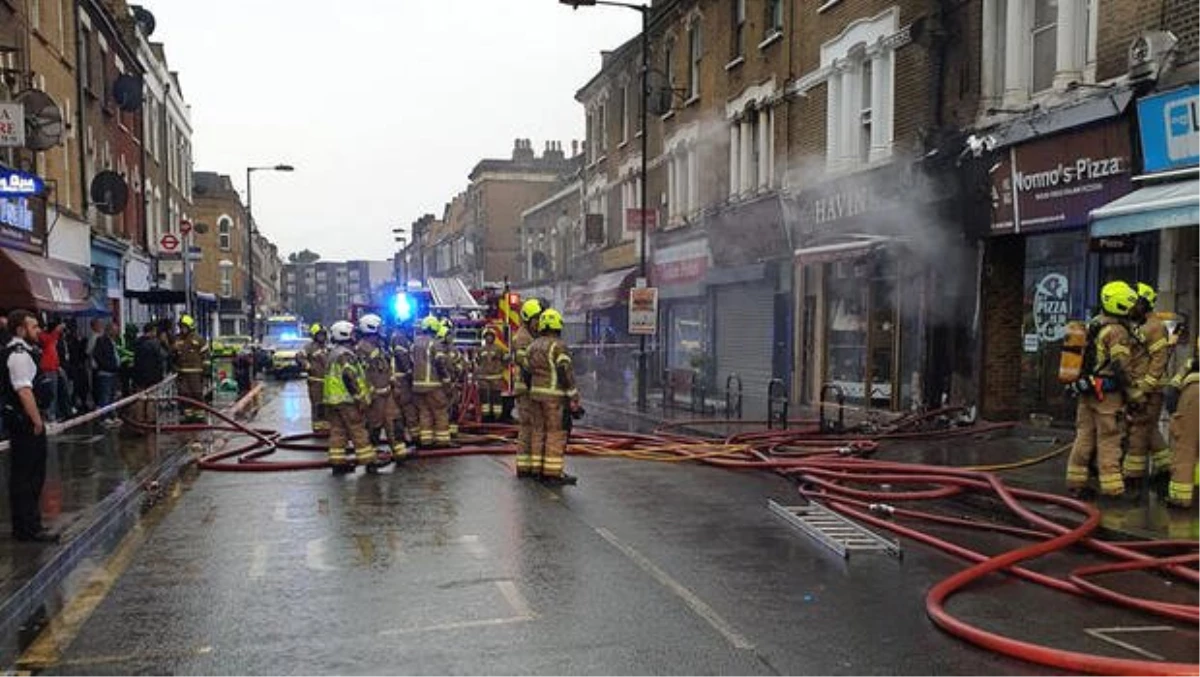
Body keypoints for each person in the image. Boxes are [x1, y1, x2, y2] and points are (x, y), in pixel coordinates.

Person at [1065, 281, 1140, 499]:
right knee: (1110, 439)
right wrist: (1134, 393)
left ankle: (1076, 482)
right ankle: (1113, 488)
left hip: (1087, 390)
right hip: (1107, 394)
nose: (1134, 308)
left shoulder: (1095, 323)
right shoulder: (1117, 332)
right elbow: (1121, 367)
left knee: (1084, 436)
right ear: (1122, 305)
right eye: (1131, 303)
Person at [2, 310, 57, 542]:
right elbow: (24, 391)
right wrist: (36, 421)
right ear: (21, 330)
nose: (38, 331)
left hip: (24, 421)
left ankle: (28, 525)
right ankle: (28, 528)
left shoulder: (25, 352)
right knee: (28, 477)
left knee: (30, 475)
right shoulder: (19, 354)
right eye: (34, 327)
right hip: (25, 423)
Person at [1123, 283, 1173, 495]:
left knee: (1138, 430)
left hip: (1149, 390)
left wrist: (1144, 388)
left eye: (1134, 303)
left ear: (1143, 303)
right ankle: (1167, 468)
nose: (1130, 307)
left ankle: (1132, 479)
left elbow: (1159, 359)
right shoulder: (1139, 325)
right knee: (1150, 430)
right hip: (1141, 386)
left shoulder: (1155, 326)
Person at [528, 308, 581, 486]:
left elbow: (527, 371)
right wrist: (572, 394)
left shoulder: (533, 345)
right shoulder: (559, 346)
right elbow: (564, 370)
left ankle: (537, 470)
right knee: (555, 433)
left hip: (535, 396)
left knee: (538, 431)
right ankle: (552, 473)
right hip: (554, 398)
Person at [322, 320, 377, 474]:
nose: (355, 336)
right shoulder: (346, 355)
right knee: (357, 429)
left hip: (333, 401)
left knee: (338, 431)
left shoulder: (333, 353)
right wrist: (359, 397)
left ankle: (337, 463)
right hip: (347, 400)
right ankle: (369, 461)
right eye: (352, 333)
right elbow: (349, 376)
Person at [356, 313, 401, 461]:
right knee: (374, 425)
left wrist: (392, 381)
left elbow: (385, 367)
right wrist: (369, 393)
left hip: (386, 392)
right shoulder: (362, 349)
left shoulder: (378, 346)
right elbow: (361, 374)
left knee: (393, 420)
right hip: (374, 396)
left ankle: (399, 451)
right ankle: (372, 456)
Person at [513, 299, 543, 477]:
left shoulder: (530, 336)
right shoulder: (523, 338)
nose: (538, 323)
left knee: (529, 427)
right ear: (527, 319)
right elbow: (526, 364)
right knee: (530, 426)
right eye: (536, 319)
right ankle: (527, 466)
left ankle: (526, 466)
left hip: (527, 388)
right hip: (526, 389)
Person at [412, 316, 451, 448]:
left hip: (417, 386)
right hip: (433, 384)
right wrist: (446, 379)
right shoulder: (434, 343)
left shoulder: (414, 343)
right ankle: (442, 441)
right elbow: (440, 363)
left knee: (424, 412)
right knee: (440, 411)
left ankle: (426, 440)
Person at [172, 315, 209, 423]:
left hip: (196, 373)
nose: (182, 329)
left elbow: (206, 356)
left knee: (197, 393)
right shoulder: (177, 339)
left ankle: (200, 415)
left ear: (190, 327)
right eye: (181, 327)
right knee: (184, 394)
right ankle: (188, 415)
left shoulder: (198, 339)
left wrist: (206, 371)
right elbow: (173, 355)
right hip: (182, 373)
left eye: (184, 327)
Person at [389, 325, 418, 459]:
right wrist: (409, 371)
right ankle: (412, 439)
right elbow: (401, 355)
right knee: (405, 409)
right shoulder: (400, 338)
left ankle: (410, 439)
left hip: (399, 379)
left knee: (404, 410)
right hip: (401, 379)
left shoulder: (398, 337)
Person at [132, 323, 167, 423]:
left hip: (139, 376)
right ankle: (150, 419)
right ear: (152, 331)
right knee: (151, 399)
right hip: (152, 376)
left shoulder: (137, 343)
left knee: (140, 398)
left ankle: (139, 419)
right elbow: (163, 356)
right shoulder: (154, 344)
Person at [299, 323, 330, 432]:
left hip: (328, 381)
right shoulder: (309, 347)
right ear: (314, 335)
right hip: (315, 381)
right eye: (319, 335)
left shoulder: (327, 347)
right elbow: (299, 356)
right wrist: (307, 365)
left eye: (323, 334)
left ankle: (326, 425)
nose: (321, 337)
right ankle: (317, 426)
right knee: (317, 404)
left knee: (327, 404)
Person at [93, 322, 121, 427]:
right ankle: (104, 417)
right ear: (110, 330)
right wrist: (107, 365)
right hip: (105, 373)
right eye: (115, 330)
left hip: (113, 373)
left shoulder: (114, 341)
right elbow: (98, 356)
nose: (116, 332)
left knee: (112, 396)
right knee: (105, 396)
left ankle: (112, 415)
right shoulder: (101, 341)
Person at [36, 320, 65, 422]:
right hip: (47, 369)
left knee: (54, 393)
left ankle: (53, 414)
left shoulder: (51, 339)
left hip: (53, 368)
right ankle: (49, 416)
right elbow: (48, 340)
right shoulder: (44, 337)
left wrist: (57, 366)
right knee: (50, 393)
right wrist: (56, 331)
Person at [477, 328, 507, 422]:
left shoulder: (499, 349)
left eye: (490, 336)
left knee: (496, 398)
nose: (489, 338)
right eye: (487, 336)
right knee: (484, 398)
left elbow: (506, 359)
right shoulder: (480, 349)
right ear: (484, 338)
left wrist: (501, 367)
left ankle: (497, 417)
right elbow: (477, 362)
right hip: (483, 378)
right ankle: (485, 417)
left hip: (496, 378)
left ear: (494, 337)